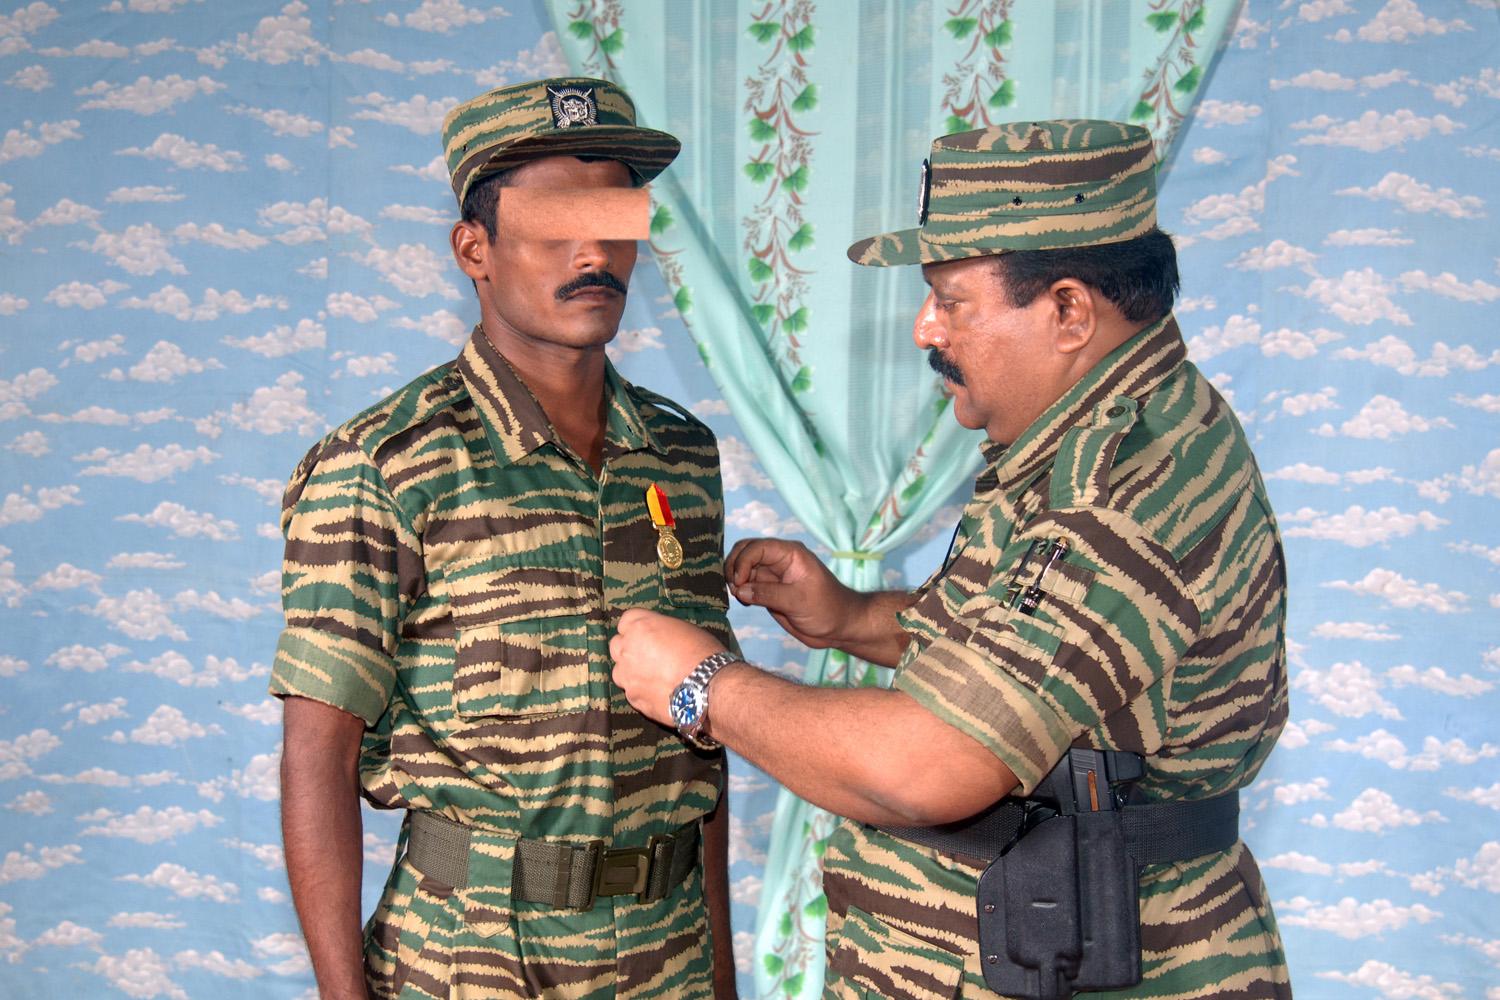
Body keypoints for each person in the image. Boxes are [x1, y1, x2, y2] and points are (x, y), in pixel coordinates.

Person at [610, 120, 1291, 998]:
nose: (925, 328)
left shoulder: (1124, 484)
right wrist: (854, 617)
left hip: (1085, 966)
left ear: (1069, 311)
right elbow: (1025, 653)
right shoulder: (1079, 433)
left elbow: (930, 766)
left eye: (952, 300)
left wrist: (702, 686)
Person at [271, 77, 738, 1000]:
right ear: (473, 249)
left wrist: (719, 976)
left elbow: (704, 728)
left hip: (667, 952)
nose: (594, 251)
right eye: (554, 223)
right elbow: (316, 755)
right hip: (473, 955)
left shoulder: (680, 455)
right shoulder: (385, 463)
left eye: (614, 217)